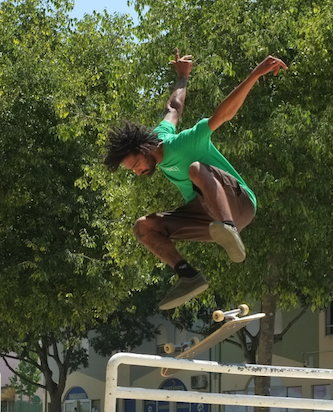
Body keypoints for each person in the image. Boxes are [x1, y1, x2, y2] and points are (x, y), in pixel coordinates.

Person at [103, 50, 287, 310]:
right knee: (144, 227)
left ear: (144, 151)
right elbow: (173, 108)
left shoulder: (184, 141)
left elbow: (223, 115)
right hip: (206, 215)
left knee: (196, 169)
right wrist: (182, 76)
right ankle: (188, 275)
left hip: (239, 204)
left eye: (135, 165)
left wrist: (254, 75)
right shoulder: (159, 135)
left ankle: (228, 228)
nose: (137, 172)